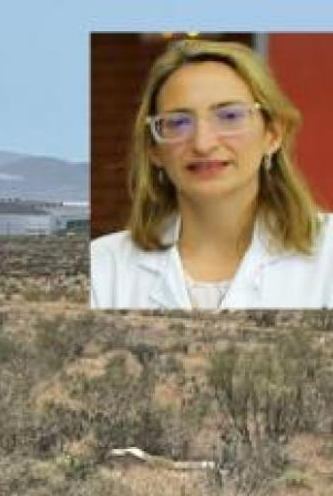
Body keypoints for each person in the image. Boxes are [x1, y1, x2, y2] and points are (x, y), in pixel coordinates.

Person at [91, 39, 332, 310]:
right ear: (154, 149)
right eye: (179, 122)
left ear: (273, 134)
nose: (203, 143)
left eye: (229, 116)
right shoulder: (101, 267)